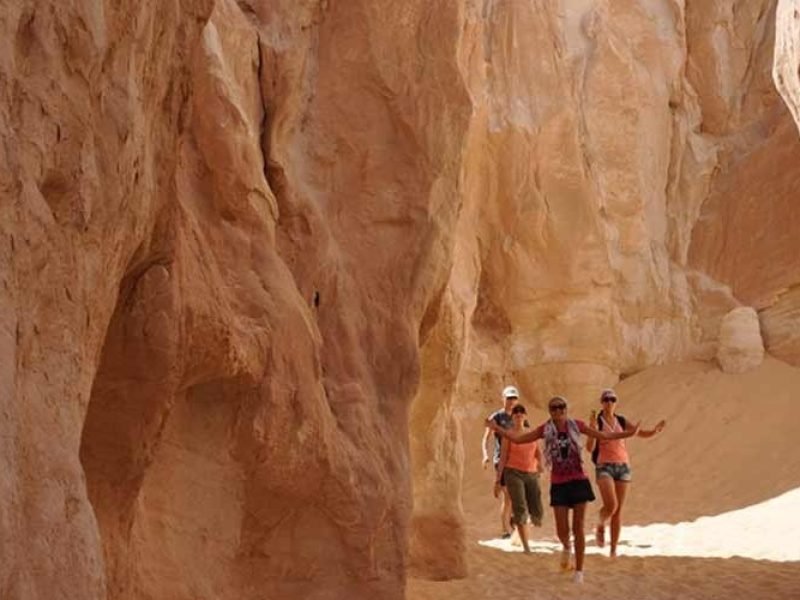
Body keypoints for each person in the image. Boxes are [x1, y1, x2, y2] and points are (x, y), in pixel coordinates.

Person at [488, 395, 638, 584]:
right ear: (550, 411)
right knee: (561, 531)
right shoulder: (545, 429)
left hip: (579, 480)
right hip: (559, 483)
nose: (558, 411)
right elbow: (520, 439)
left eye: (561, 407)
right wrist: (497, 429)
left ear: (566, 408)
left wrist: (627, 434)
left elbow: (604, 435)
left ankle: (579, 571)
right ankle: (567, 547)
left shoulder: (577, 425)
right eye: (554, 408)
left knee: (579, 527)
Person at [585, 388, 666, 557]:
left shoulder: (620, 420)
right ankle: (600, 523)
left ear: (616, 402)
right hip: (604, 466)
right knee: (611, 506)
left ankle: (613, 550)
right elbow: (589, 448)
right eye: (606, 399)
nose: (609, 402)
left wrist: (655, 431)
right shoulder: (597, 422)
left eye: (612, 399)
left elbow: (639, 433)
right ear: (601, 402)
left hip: (623, 466)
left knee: (618, 510)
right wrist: (592, 429)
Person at [495, 403, 544, 553]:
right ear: (512, 416)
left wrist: (541, 465)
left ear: (525, 416)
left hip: (531, 473)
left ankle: (520, 527)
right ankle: (526, 546)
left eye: (521, 412)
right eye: (516, 412)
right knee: (520, 507)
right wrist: (498, 480)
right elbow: (503, 458)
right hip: (513, 473)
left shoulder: (532, 433)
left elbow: (538, 453)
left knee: (537, 512)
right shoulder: (508, 435)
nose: (518, 414)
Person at [481, 385, 519, 538]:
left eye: (514, 398)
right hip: (500, 460)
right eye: (509, 398)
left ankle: (512, 519)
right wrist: (485, 455)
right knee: (508, 495)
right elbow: (485, 438)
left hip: (516, 459)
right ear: (502, 398)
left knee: (514, 495)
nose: (511, 401)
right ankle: (505, 529)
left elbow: (525, 435)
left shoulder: (519, 416)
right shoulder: (496, 417)